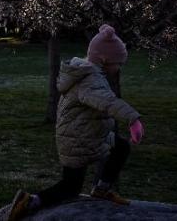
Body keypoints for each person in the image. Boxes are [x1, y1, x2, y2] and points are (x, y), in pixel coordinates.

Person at [8, 25, 144, 220]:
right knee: (70, 187)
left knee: (120, 147)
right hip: (78, 139)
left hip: (87, 133)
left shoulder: (88, 73)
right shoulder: (90, 80)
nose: (119, 67)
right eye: (118, 63)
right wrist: (133, 119)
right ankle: (30, 201)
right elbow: (108, 102)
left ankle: (102, 189)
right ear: (105, 60)